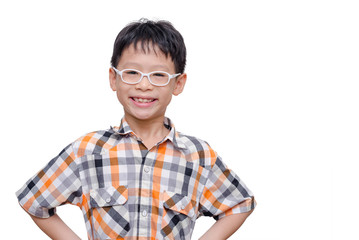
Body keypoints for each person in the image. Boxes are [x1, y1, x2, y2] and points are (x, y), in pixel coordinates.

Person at [16, 18, 256, 240]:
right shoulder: (88, 151)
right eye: (132, 73)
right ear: (113, 78)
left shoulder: (198, 155)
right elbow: (34, 200)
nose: (144, 85)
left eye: (158, 75)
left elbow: (239, 204)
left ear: (178, 83)